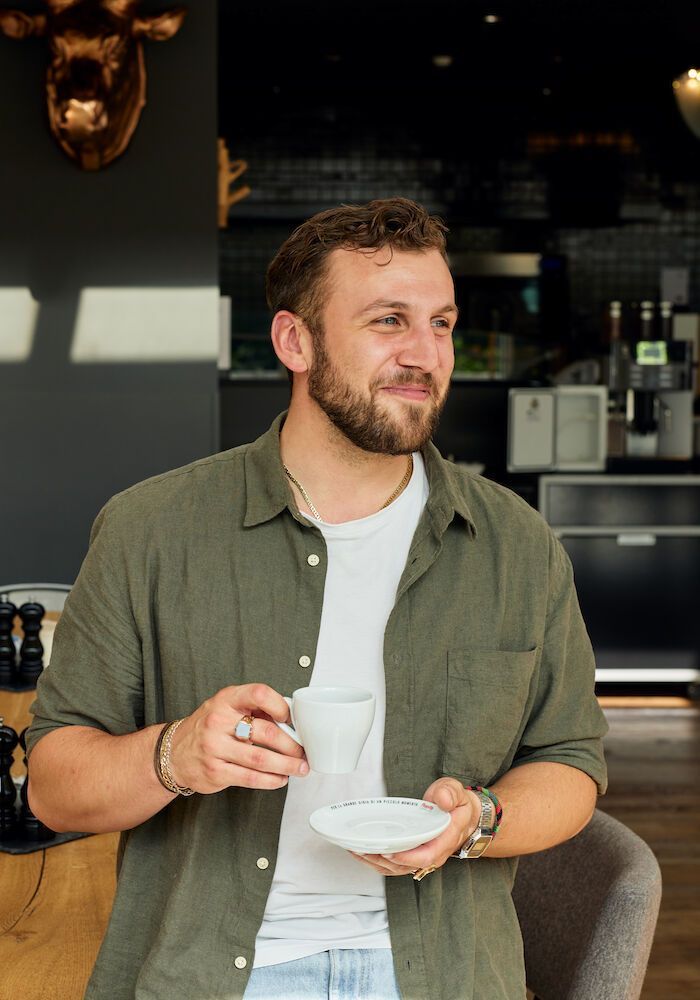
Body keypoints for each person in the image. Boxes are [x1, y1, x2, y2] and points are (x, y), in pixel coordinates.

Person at [27, 197, 608, 1000]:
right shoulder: (149, 530)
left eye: (440, 323)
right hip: (209, 975)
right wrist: (177, 755)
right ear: (296, 341)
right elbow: (54, 784)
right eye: (388, 321)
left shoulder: (516, 546)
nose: (425, 353)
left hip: (439, 976)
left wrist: (476, 818)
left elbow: (572, 764)